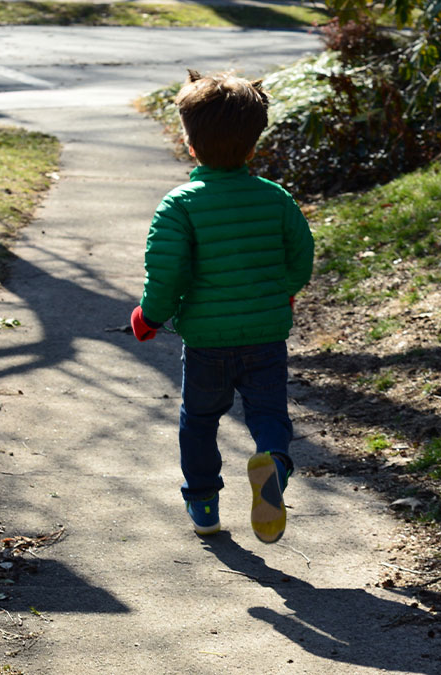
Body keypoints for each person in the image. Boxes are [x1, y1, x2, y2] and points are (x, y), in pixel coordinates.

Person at [129, 69, 314, 544]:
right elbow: (301, 256)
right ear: (253, 146)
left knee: (200, 421)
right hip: (266, 335)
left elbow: (168, 272)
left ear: (190, 144)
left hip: (208, 341)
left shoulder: (181, 205)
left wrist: (149, 316)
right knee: (269, 414)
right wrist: (282, 290)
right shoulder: (275, 199)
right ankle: (273, 461)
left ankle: (205, 504)